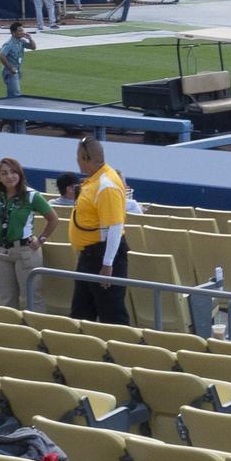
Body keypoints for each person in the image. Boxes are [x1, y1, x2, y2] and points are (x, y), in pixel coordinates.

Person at [68, 137, 132, 324]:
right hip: (90, 256)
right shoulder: (96, 179)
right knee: (81, 311)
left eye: (78, 157)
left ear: (86, 157)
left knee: (111, 313)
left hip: (101, 256)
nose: (76, 160)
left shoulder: (107, 185)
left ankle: (121, 351)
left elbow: (115, 226)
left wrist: (107, 264)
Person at [0, 157, 57, 312]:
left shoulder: (32, 196)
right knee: (7, 299)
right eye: (4, 173)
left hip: (25, 251)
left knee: (31, 298)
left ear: (20, 174)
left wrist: (41, 240)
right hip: (1, 253)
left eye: (13, 172)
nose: (9, 176)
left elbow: (53, 219)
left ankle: (38, 333)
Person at [0, 21, 35, 99]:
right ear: (13, 33)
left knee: (12, 94)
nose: (22, 32)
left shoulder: (21, 41)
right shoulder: (9, 44)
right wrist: (11, 68)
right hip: (10, 72)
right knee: (16, 94)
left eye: (22, 30)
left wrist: (30, 39)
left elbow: (33, 47)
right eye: (20, 31)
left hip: (17, 69)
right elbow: (1, 56)